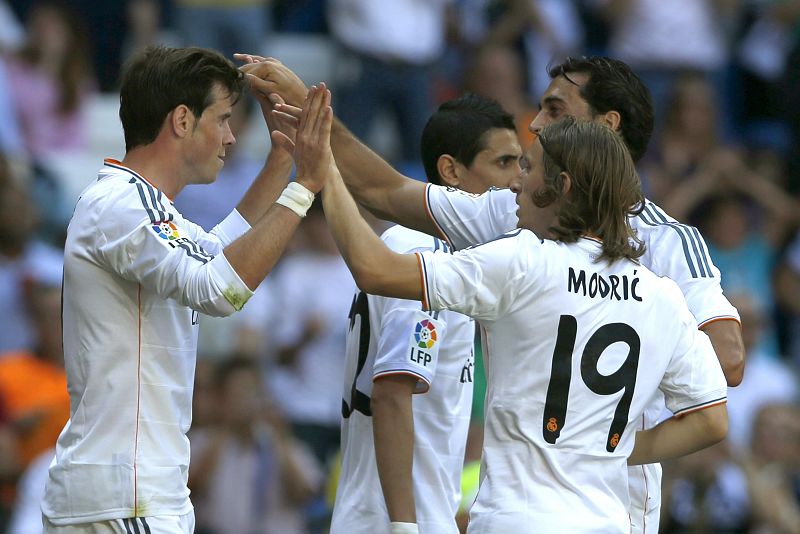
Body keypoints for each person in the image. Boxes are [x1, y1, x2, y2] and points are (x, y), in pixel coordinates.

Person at [242, 53, 745, 533]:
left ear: (605, 128)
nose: (535, 125)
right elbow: (385, 192)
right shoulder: (534, 226)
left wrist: (317, 166)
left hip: (542, 510)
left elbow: (729, 359)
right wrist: (602, 441)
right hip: (603, 514)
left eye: (554, 110)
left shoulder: (570, 248)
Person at [40, 45, 329, 533]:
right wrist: (305, 192)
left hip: (131, 492)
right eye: (222, 118)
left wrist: (284, 159)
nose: (232, 137)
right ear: (181, 120)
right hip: (127, 495)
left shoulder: (144, 208)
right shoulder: (123, 206)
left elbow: (218, 253)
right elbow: (220, 291)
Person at [331, 94, 522, 533]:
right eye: (504, 162)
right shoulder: (424, 256)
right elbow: (393, 392)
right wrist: (405, 524)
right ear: (451, 170)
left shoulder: (449, 261)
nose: (518, 180)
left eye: (522, 165)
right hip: (392, 520)